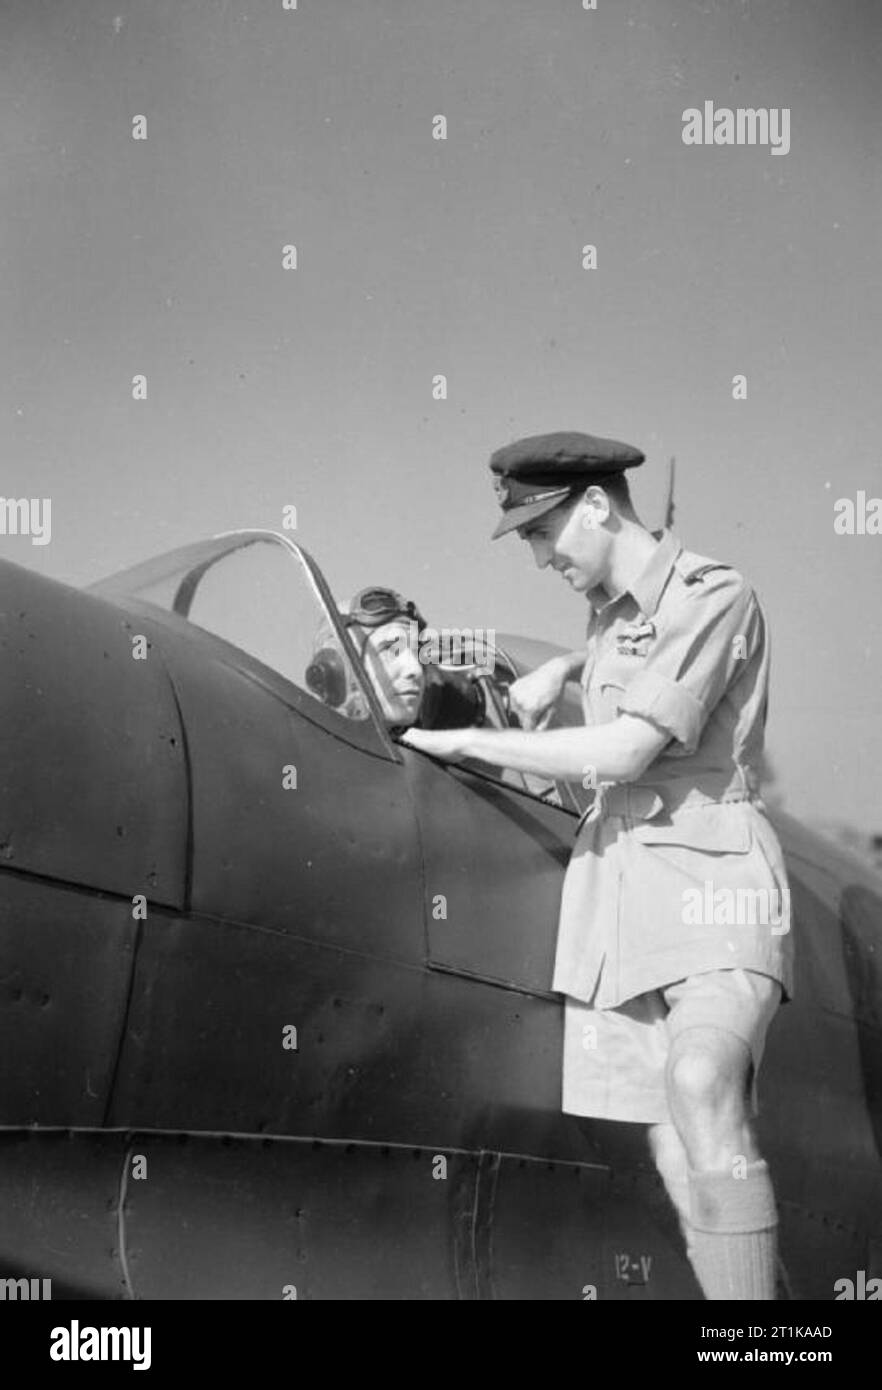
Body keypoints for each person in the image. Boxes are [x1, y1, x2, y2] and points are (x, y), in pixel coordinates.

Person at [402, 430, 794, 1301]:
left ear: (593, 505)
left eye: (543, 533)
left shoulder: (717, 591)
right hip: (619, 897)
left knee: (700, 1082)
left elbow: (623, 752)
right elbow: (637, 658)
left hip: (710, 884)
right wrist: (569, 667)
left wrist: (468, 739)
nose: (540, 557)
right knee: (670, 1141)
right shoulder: (610, 616)